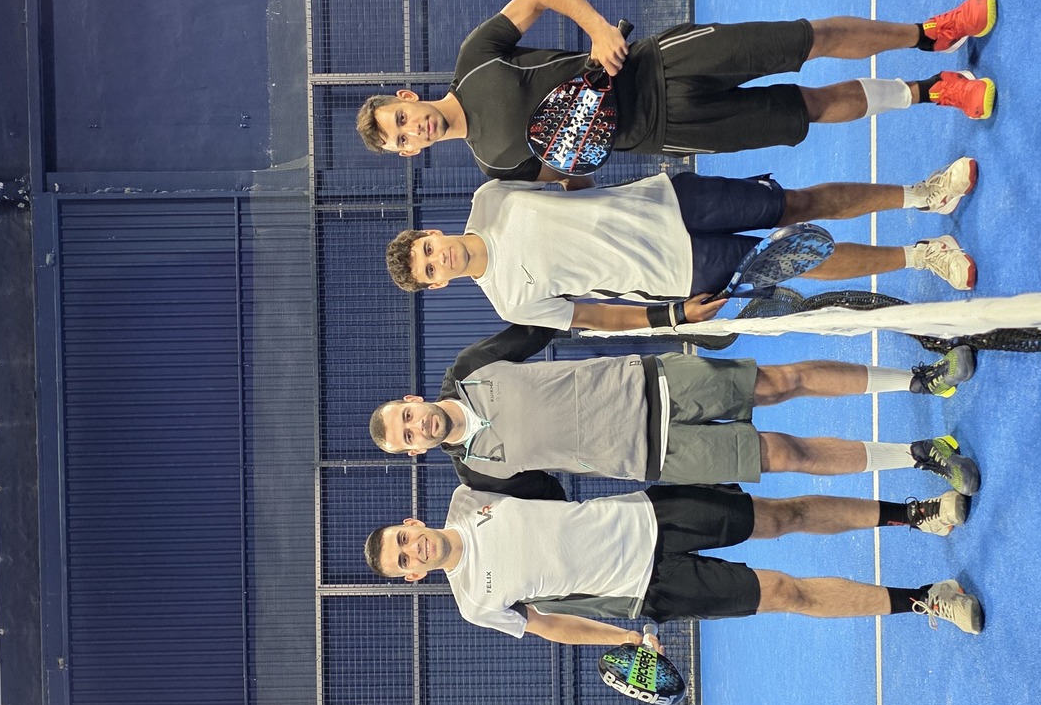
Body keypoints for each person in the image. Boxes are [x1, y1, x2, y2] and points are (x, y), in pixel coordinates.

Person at [356, 0, 998, 183]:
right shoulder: (496, 165)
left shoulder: (476, 58)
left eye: (401, 119)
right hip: (668, 130)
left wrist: (598, 31)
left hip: (663, 62)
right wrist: (576, 162)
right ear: (410, 154)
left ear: (407, 99)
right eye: (402, 140)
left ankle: (928, 33)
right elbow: (570, 177)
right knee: (808, 107)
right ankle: (936, 91)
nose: (413, 130)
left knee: (808, 39)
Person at [369, 323, 982, 494]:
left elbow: (543, 322)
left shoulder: (472, 368)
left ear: (412, 401)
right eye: (408, 438)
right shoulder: (477, 474)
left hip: (656, 382)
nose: (417, 428)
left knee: (784, 381)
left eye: (406, 418)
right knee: (785, 455)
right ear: (416, 452)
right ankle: (920, 455)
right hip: (659, 456)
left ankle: (921, 380)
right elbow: (549, 502)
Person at [364, 484, 985, 641]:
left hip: (651, 514)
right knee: (784, 592)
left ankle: (916, 511)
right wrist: (622, 638)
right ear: (413, 575)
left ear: (412, 522)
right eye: (404, 561)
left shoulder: (470, 495)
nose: (412, 549)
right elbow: (550, 625)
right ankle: (927, 598)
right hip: (650, 586)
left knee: (781, 514)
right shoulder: (474, 604)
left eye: (403, 539)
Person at [383, 166, 979, 329]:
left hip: (670, 200)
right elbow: (594, 317)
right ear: (439, 283)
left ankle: (922, 193)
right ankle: (923, 254)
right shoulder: (510, 303)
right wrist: (671, 316)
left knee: (794, 205)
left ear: (431, 233)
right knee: (800, 260)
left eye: (428, 250)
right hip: (677, 270)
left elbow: (566, 177)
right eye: (431, 271)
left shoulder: (491, 197)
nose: (439, 259)